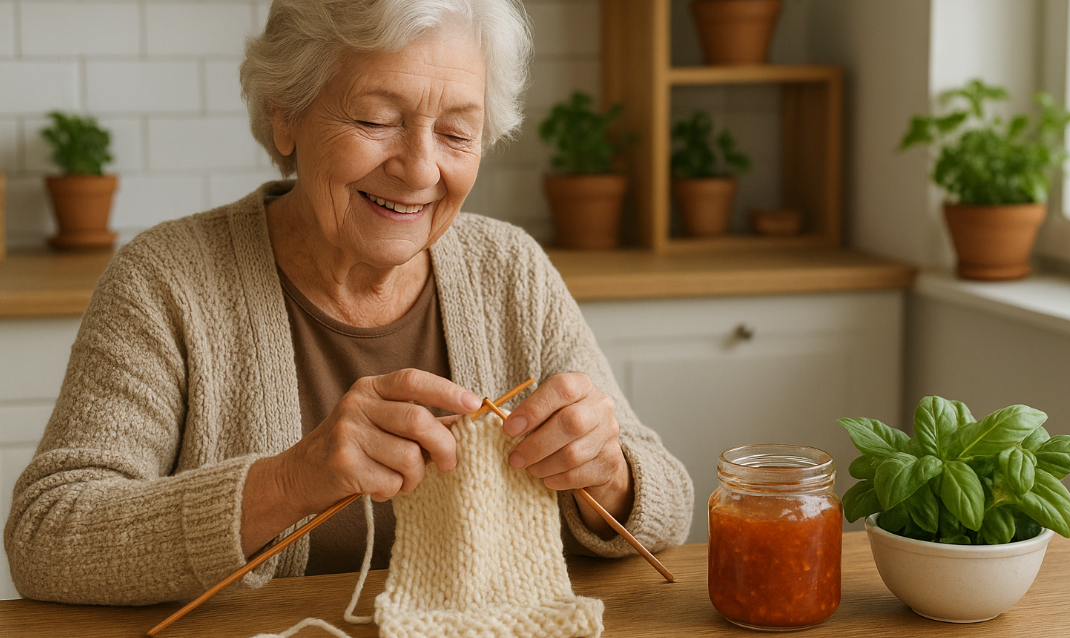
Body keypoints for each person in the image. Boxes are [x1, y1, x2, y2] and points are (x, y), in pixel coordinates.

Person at [4, 0, 693, 605]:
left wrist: (607, 477)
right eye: (375, 119)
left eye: (456, 133)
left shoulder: (508, 269)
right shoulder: (168, 282)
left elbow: (667, 508)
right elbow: (48, 534)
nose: (420, 169)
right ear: (285, 115)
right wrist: (287, 482)